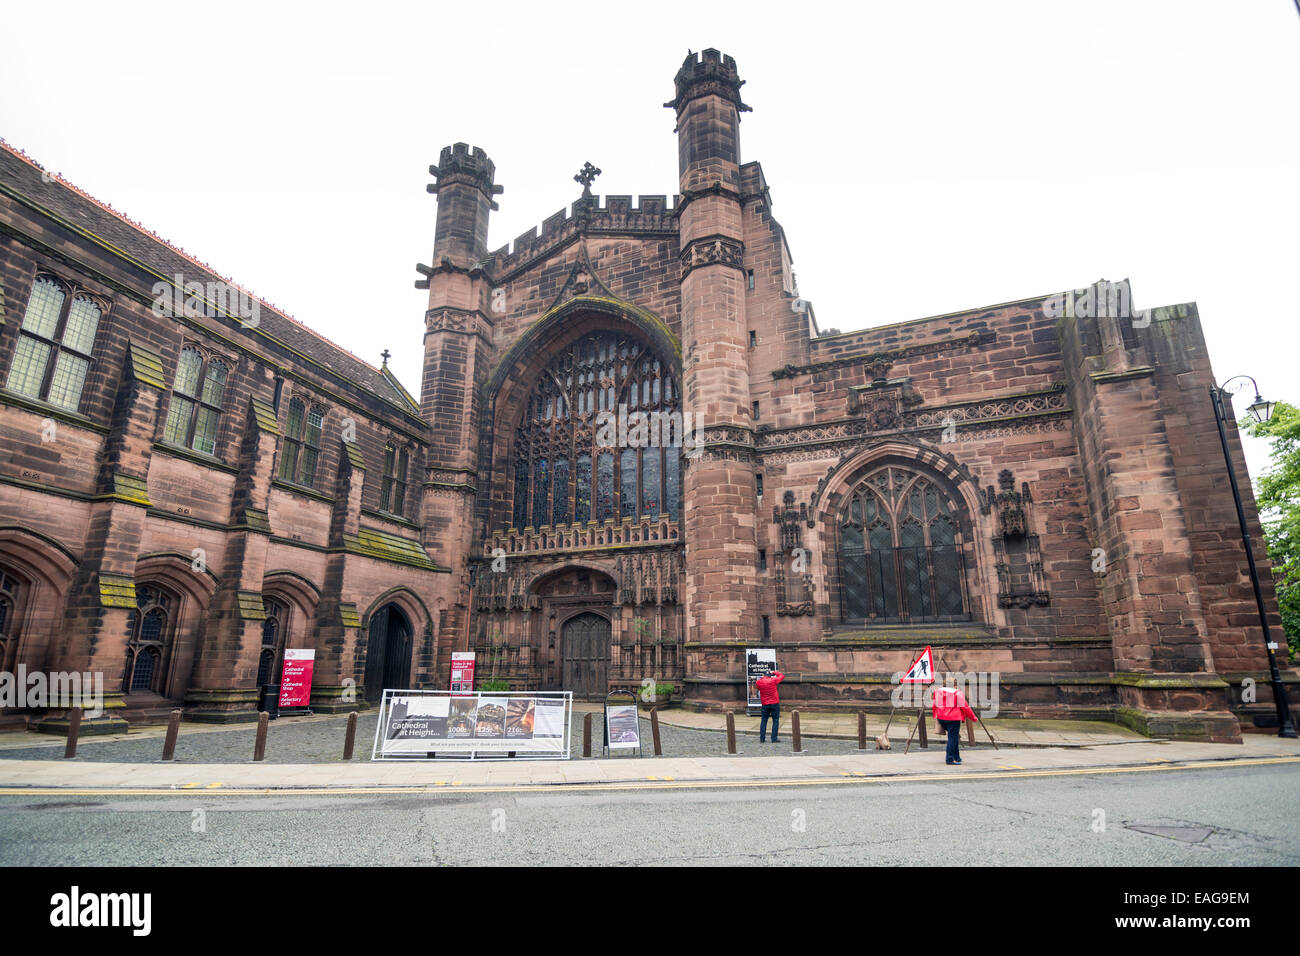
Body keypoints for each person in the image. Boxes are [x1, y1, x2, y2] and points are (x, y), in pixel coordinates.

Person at [931, 685, 977, 764]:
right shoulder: (958, 693)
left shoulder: (938, 691)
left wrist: (935, 715)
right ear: (955, 685)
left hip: (941, 717)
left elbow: (934, 704)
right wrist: (973, 718)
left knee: (954, 737)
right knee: (952, 738)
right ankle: (949, 759)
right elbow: (965, 707)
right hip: (953, 718)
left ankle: (957, 757)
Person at [755, 670, 785, 743]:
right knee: (775, 720)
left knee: (764, 721)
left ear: (763, 675)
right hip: (774, 703)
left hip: (765, 703)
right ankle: (774, 738)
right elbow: (782, 676)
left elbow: (759, 688)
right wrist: (774, 672)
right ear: (770, 675)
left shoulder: (758, 682)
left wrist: (762, 678)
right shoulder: (773, 680)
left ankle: (762, 738)